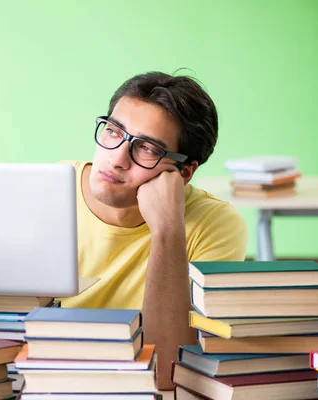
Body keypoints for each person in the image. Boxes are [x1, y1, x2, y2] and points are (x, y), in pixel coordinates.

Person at [60, 71, 247, 390]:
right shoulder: (51, 190)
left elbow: (169, 371)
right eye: (113, 131)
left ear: (185, 171)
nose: (117, 158)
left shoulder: (215, 224)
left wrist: (167, 231)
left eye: (146, 148)